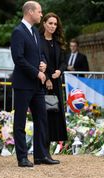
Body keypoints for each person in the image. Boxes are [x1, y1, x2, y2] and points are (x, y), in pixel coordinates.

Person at [10, 1, 58, 167]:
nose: (40, 14)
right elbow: (18, 58)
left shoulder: (35, 33)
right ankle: (22, 157)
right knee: (20, 121)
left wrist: (43, 64)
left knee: (42, 119)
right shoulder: (18, 32)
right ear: (30, 12)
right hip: (23, 84)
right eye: (39, 11)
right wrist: (36, 72)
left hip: (37, 85)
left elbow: (40, 54)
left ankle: (41, 155)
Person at [39, 12, 68, 154]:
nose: (52, 26)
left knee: (55, 113)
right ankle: (42, 149)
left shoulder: (58, 42)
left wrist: (59, 72)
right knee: (44, 115)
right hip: (43, 83)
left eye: (55, 24)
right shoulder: (38, 40)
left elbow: (64, 62)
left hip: (56, 83)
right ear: (44, 23)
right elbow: (39, 61)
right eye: (50, 23)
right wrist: (48, 78)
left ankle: (49, 148)